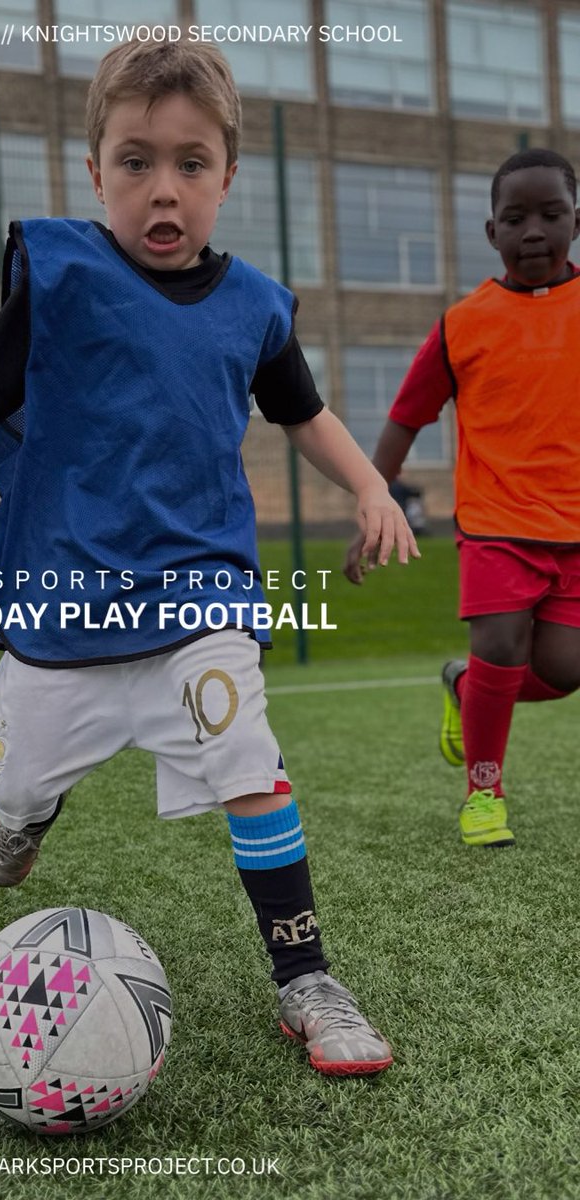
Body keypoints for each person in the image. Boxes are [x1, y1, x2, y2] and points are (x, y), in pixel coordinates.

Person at [0, 39, 417, 1075]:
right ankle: (27, 814)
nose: (162, 189)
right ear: (97, 175)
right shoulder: (63, 278)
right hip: (66, 604)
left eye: (190, 163)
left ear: (228, 177)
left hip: (199, 595)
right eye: (136, 162)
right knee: (18, 783)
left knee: (251, 763)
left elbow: (304, 415)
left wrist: (369, 488)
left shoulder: (255, 306)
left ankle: (307, 979)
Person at [344, 148, 580, 849]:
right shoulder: (463, 324)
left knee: (565, 669)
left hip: (574, 526)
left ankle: (463, 687)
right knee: (500, 644)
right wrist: (374, 501)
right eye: (515, 218)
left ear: (576, 222)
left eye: (551, 214)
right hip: (496, 521)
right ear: (491, 232)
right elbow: (405, 418)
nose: (532, 230)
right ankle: (484, 792)